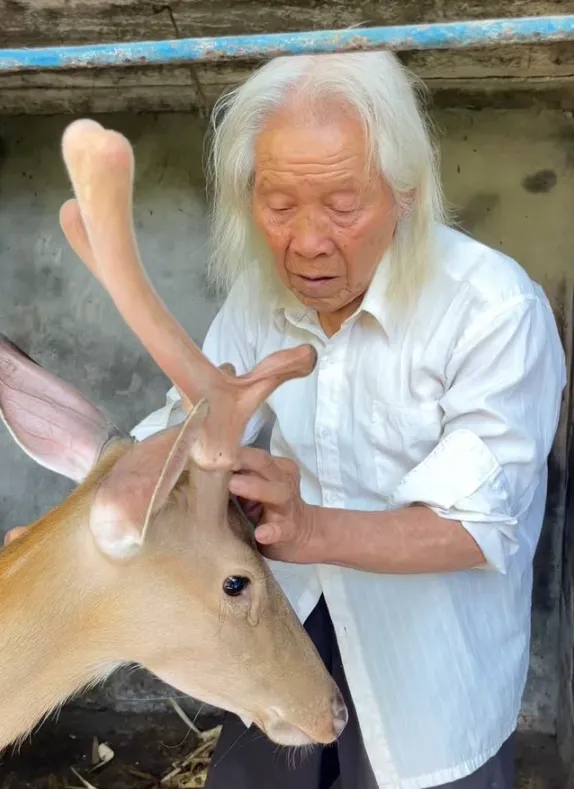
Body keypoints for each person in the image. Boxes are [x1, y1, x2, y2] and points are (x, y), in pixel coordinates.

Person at [7, 51, 567, 789]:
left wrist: (308, 530)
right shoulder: (256, 301)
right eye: (278, 204)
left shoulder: (495, 312)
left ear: (406, 192)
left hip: (428, 666)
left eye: (342, 204)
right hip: (281, 624)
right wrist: (96, 510)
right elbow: (190, 422)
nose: (306, 242)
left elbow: (478, 526)